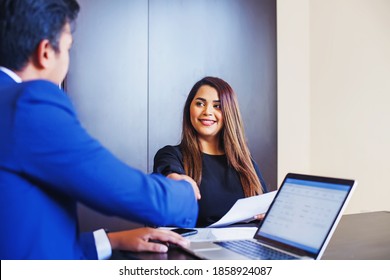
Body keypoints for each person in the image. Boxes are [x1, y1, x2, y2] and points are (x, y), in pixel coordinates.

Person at [0, 0, 200, 260]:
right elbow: (121, 189)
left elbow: (22, 237)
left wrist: (110, 240)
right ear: (46, 52)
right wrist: (184, 191)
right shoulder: (28, 103)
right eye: (69, 48)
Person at [153, 76, 268, 227]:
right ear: (189, 108)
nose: (207, 111)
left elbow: (265, 208)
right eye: (200, 104)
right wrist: (177, 180)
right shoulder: (172, 155)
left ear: (229, 113)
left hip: (246, 245)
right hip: (196, 248)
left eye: (217, 106)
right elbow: (170, 173)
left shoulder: (245, 163)